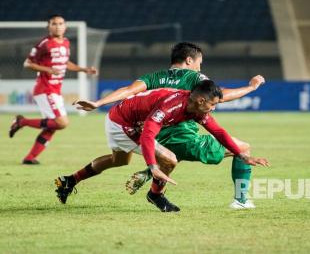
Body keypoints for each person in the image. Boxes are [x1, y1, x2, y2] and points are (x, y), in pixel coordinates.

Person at [74, 42, 264, 209]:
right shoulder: (196, 79)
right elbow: (220, 95)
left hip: (156, 132)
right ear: (190, 60)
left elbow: (128, 91)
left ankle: (148, 172)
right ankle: (241, 200)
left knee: (123, 160)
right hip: (179, 135)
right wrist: (251, 87)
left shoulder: (154, 77)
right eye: (199, 62)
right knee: (243, 148)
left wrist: (99, 103)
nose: (199, 67)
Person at [55, 80, 269, 212]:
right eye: (213, 104)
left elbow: (218, 131)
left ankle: (69, 180)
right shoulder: (172, 106)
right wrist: (152, 165)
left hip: (121, 118)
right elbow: (148, 134)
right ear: (202, 101)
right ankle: (156, 195)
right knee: (169, 159)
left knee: (118, 161)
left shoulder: (194, 107)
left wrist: (243, 155)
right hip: (123, 125)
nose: (214, 108)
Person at [8, 14, 98, 165]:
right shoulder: (44, 43)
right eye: (54, 24)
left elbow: (65, 62)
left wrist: (83, 69)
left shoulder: (66, 43)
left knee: (52, 127)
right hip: (45, 88)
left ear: (65, 26)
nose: (58, 26)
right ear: (48, 26)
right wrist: (47, 69)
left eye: (60, 23)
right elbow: (27, 63)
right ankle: (21, 122)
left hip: (55, 90)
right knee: (62, 123)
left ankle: (30, 158)